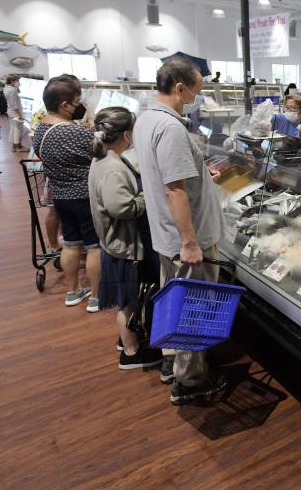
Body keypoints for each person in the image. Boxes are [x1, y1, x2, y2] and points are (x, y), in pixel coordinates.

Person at [133, 57, 226, 405]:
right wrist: (190, 242)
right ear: (179, 87)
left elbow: (166, 175)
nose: (199, 96)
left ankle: (172, 362)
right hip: (187, 240)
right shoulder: (171, 128)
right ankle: (191, 381)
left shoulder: (147, 118)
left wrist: (202, 173)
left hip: (166, 234)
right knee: (194, 307)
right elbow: (175, 190)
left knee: (175, 300)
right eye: (197, 89)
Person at [88, 107, 163, 369]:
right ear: (128, 135)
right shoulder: (112, 168)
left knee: (129, 299)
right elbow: (121, 207)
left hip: (116, 243)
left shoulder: (105, 160)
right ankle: (130, 353)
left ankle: (127, 338)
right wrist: (146, 198)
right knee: (127, 303)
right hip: (122, 246)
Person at [31, 76, 101, 310]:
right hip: (85, 197)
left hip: (60, 196)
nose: (79, 106)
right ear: (64, 104)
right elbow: (101, 151)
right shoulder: (76, 133)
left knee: (71, 245)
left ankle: (73, 292)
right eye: (76, 101)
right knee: (94, 247)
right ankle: (96, 296)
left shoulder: (40, 131)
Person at [3, 74, 28, 152]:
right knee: (19, 129)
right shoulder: (13, 90)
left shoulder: (6, 88)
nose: (18, 82)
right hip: (15, 112)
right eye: (17, 81)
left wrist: (17, 87)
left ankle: (14, 146)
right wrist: (20, 115)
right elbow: (15, 105)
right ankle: (18, 146)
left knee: (14, 128)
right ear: (12, 81)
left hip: (10, 111)